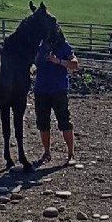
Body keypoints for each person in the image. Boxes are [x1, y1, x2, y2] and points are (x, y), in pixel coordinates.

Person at [34, 29, 79, 163]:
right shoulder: (41, 46)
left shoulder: (64, 46)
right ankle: (46, 152)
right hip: (41, 89)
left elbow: (74, 64)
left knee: (64, 121)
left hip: (58, 89)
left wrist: (58, 61)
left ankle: (70, 154)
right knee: (43, 122)